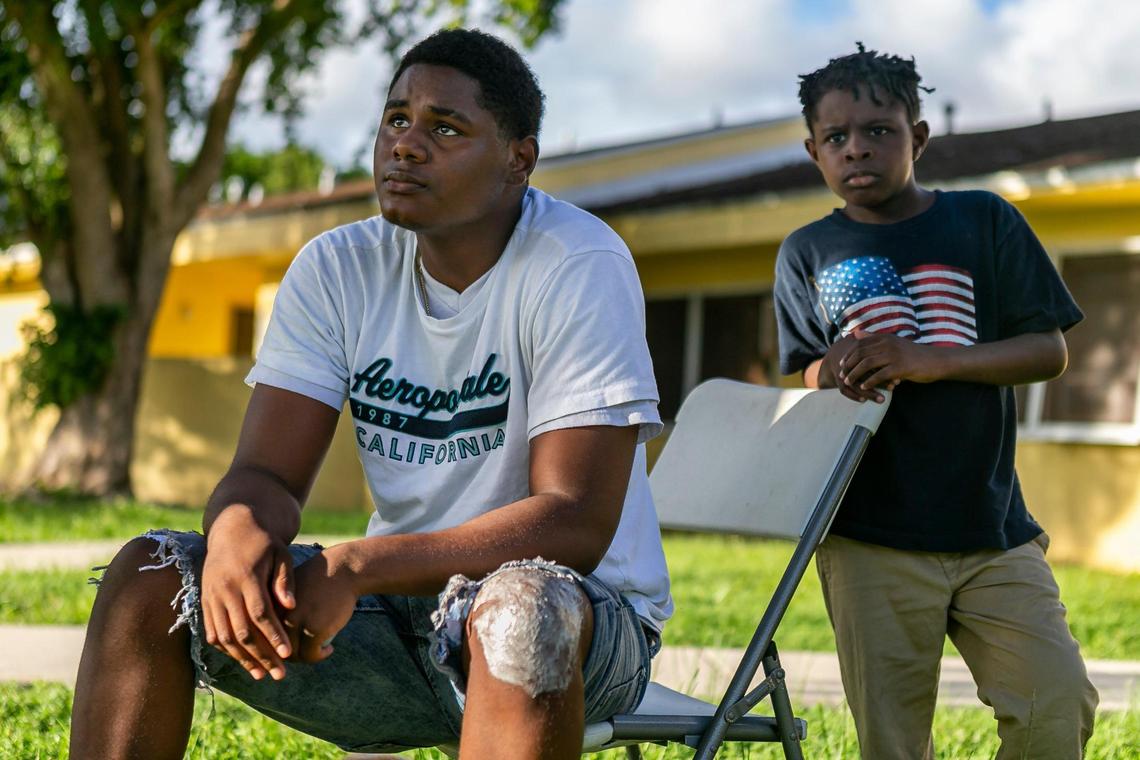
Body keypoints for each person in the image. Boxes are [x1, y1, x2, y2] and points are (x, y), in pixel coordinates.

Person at [69, 28, 671, 760]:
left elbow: (574, 521)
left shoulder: (576, 263)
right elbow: (267, 476)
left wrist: (357, 565)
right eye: (396, 119)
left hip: (576, 626)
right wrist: (234, 534)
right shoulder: (338, 267)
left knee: (519, 609)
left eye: (444, 128)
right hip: (395, 620)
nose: (407, 145)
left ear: (519, 160)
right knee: (147, 578)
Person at [773, 44, 1098, 760]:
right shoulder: (805, 251)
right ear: (813, 151)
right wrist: (833, 371)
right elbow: (798, 372)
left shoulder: (984, 221)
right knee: (892, 741)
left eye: (879, 131)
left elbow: (1048, 349)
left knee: (1056, 704)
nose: (857, 149)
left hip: (992, 527)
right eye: (836, 138)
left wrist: (931, 361)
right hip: (866, 535)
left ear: (917, 138)